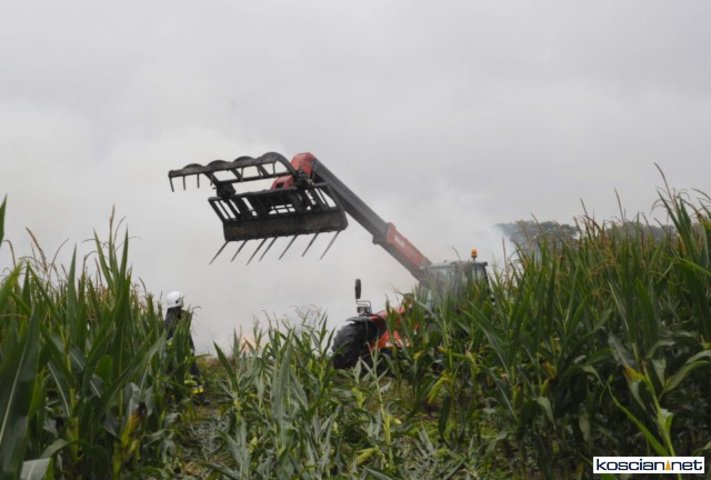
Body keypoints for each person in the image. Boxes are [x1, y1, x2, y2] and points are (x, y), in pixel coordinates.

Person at [164, 291, 205, 398]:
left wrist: (190, 348)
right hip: (176, 356)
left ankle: (199, 396)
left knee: (194, 373)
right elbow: (168, 341)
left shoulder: (180, 317)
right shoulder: (169, 322)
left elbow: (187, 336)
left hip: (186, 352)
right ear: (177, 303)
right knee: (190, 372)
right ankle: (194, 396)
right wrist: (179, 348)